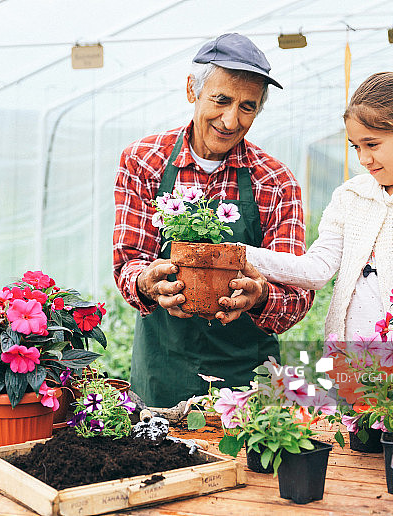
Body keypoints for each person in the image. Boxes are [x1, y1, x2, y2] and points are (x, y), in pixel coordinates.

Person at [113, 33, 314, 408]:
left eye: (247, 107)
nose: (231, 119)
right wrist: (147, 283)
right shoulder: (145, 161)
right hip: (163, 370)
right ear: (192, 90)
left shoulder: (275, 180)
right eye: (221, 100)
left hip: (247, 377)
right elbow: (129, 261)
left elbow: (298, 292)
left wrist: (261, 295)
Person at [246, 71, 393, 342]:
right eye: (356, 147)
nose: (364, 159)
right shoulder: (351, 197)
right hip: (350, 367)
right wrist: (241, 255)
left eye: (372, 144)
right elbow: (317, 269)